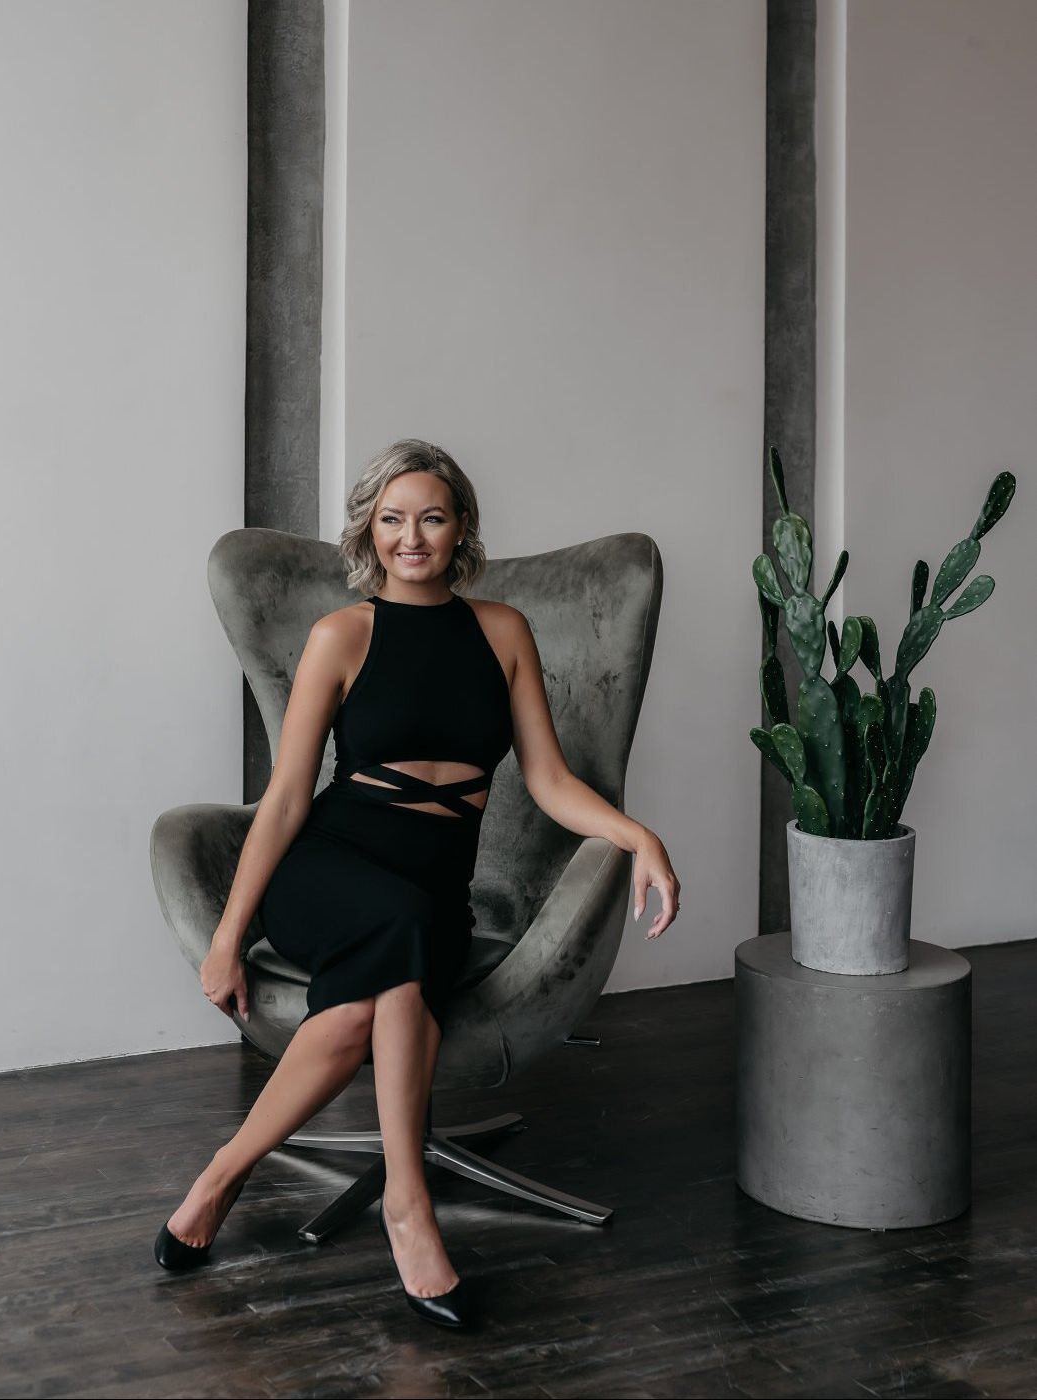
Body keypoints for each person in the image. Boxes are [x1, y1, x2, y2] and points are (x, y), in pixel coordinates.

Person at [153, 439, 681, 1328]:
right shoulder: (341, 635)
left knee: (368, 999)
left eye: (431, 518)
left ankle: (222, 1176)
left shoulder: (503, 630)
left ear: (461, 528)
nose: (412, 537)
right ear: (369, 531)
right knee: (396, 931)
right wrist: (226, 939)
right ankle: (409, 1205)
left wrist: (640, 836)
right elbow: (284, 801)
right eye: (392, 520)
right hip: (331, 867)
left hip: (434, 885)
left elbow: (548, 780)